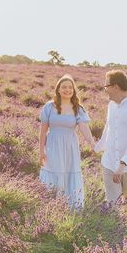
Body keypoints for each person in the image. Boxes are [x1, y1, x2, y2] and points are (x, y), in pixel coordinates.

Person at [39, 74, 95, 210]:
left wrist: (93, 143)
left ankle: (71, 207)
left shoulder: (77, 108)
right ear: (58, 89)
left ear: (74, 90)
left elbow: (83, 127)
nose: (67, 90)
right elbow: (43, 130)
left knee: (69, 172)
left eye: (70, 87)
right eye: (64, 87)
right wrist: (41, 150)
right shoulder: (49, 107)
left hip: (70, 146)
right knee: (54, 172)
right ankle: (51, 205)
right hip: (52, 145)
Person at [94, 70, 127, 203]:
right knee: (112, 206)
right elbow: (108, 129)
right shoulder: (111, 105)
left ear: (115, 87)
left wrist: (122, 164)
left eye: (106, 86)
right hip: (109, 163)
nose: (105, 90)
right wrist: (97, 147)